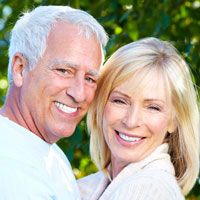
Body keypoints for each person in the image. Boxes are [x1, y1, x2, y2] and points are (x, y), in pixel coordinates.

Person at [0, 5, 108, 199]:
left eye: (90, 79)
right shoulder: (7, 165)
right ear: (20, 68)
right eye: (64, 71)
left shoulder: (53, 157)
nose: (79, 94)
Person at [78, 37, 200, 200]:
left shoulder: (147, 190)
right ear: (101, 105)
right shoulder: (85, 187)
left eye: (153, 107)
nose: (131, 121)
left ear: (174, 121)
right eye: (120, 101)